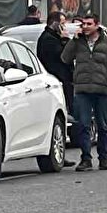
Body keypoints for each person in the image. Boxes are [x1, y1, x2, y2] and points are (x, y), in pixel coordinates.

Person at [62, 14, 107, 171]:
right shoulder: (78, 42)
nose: (86, 27)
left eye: (89, 24)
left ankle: (104, 159)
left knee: (103, 126)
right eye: (83, 24)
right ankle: (86, 159)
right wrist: (73, 40)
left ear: (97, 25)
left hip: (103, 90)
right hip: (82, 90)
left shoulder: (105, 41)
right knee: (83, 125)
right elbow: (65, 58)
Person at [38, 11, 78, 167]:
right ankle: (56, 153)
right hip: (57, 81)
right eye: (62, 23)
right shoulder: (48, 40)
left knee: (64, 117)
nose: (64, 26)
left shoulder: (53, 38)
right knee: (60, 117)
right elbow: (63, 56)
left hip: (64, 80)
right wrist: (66, 39)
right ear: (54, 23)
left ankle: (59, 154)